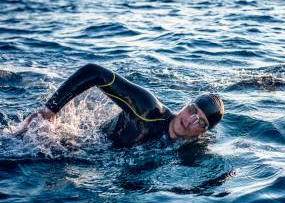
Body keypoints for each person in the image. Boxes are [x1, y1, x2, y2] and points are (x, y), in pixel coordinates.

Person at [15, 63, 224, 147]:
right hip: (82, 147)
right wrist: (50, 110)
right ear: (186, 105)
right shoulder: (148, 109)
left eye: (201, 123)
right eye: (192, 110)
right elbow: (93, 71)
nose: (189, 121)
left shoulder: (189, 149)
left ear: (202, 133)